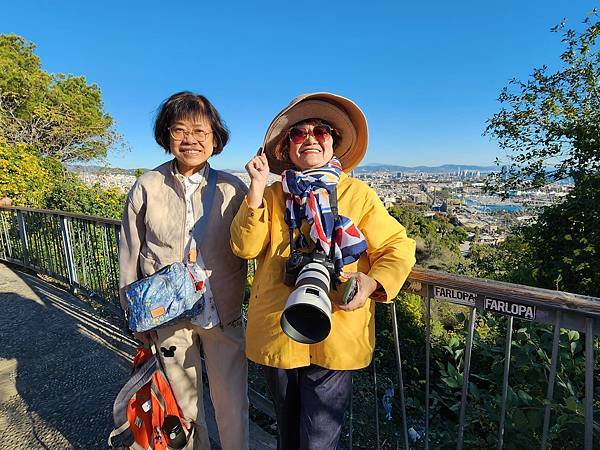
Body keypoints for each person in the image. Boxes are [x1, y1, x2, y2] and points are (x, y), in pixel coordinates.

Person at [230, 92, 416, 450]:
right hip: (279, 327)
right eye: (299, 134)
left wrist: (374, 280)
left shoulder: (358, 194)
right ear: (286, 148)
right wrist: (255, 188)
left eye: (321, 131)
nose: (310, 138)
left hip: (338, 328)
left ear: (335, 142)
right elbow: (245, 247)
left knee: (319, 439)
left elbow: (397, 246)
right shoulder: (271, 195)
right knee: (288, 432)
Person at [119, 92, 249, 450]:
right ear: (166, 135)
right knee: (183, 403)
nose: (190, 140)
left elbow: (249, 241)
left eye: (200, 131)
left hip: (221, 309)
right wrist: (135, 314)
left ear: (215, 138)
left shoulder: (232, 187)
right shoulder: (148, 185)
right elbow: (130, 251)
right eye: (179, 131)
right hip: (167, 314)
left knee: (233, 403)